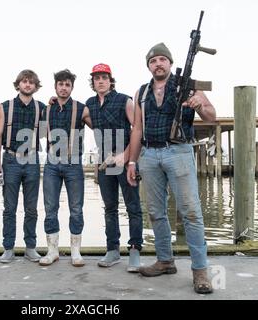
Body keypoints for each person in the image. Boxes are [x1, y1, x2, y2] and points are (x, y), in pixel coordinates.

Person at [127, 43, 216, 294]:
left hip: (178, 151)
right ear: (149, 66)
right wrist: (132, 162)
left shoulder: (187, 84)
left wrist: (199, 104)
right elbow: (137, 129)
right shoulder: (141, 92)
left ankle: (200, 271)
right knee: (155, 211)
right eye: (153, 60)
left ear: (169, 63)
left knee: (191, 212)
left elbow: (211, 115)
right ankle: (165, 261)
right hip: (149, 154)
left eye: (162, 59)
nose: (158, 64)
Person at [86, 63, 143, 271]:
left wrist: (126, 156)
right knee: (110, 208)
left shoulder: (124, 100)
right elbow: (76, 116)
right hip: (105, 163)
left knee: (133, 207)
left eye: (104, 77)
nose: (100, 81)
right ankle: (113, 251)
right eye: (96, 78)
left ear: (111, 80)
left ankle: (135, 252)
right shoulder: (90, 104)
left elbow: (138, 129)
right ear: (92, 82)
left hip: (126, 161)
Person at [39, 69, 92, 267]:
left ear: (71, 87)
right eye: (60, 84)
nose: (63, 87)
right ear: (55, 87)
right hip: (52, 164)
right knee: (50, 208)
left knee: (76, 209)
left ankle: (75, 252)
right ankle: (52, 251)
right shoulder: (47, 109)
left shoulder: (82, 109)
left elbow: (98, 126)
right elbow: (40, 133)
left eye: (67, 84)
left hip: (74, 164)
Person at [0, 70, 45, 263]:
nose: (28, 85)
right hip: (11, 159)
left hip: (32, 159)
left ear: (35, 86)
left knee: (31, 208)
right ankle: (8, 248)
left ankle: (30, 247)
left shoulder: (41, 108)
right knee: (9, 208)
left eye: (32, 82)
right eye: (24, 81)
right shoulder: (5, 107)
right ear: (18, 84)